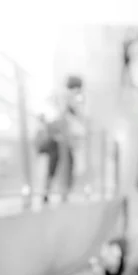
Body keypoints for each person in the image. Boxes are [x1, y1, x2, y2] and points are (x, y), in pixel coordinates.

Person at [41, 75, 84, 203]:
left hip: (60, 140)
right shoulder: (66, 97)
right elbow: (69, 115)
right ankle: (60, 193)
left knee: (54, 168)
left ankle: (49, 192)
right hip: (60, 140)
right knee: (65, 167)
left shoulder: (60, 96)